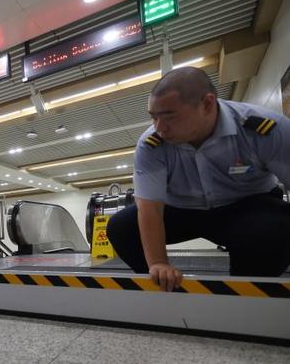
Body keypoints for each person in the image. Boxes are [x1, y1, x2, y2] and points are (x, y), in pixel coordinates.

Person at [106, 67, 290, 291]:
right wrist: (158, 263)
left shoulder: (264, 129)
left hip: (246, 205)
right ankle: (162, 286)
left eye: (169, 116)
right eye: (153, 117)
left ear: (207, 104)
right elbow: (150, 209)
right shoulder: (151, 145)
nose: (159, 128)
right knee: (121, 227)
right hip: (182, 210)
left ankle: (247, 294)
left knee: (275, 228)